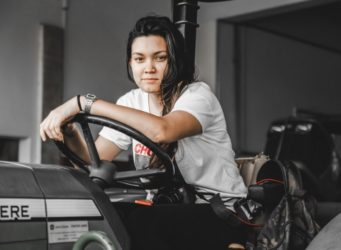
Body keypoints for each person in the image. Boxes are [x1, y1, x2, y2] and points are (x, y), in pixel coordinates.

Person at [40, 15, 248, 250]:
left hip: (219, 212)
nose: (148, 68)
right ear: (130, 63)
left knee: (139, 222)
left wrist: (84, 103)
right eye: (139, 59)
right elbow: (92, 163)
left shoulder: (198, 96)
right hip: (166, 207)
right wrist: (70, 131)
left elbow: (163, 131)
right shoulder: (131, 101)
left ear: (175, 61)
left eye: (160, 58)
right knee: (102, 214)